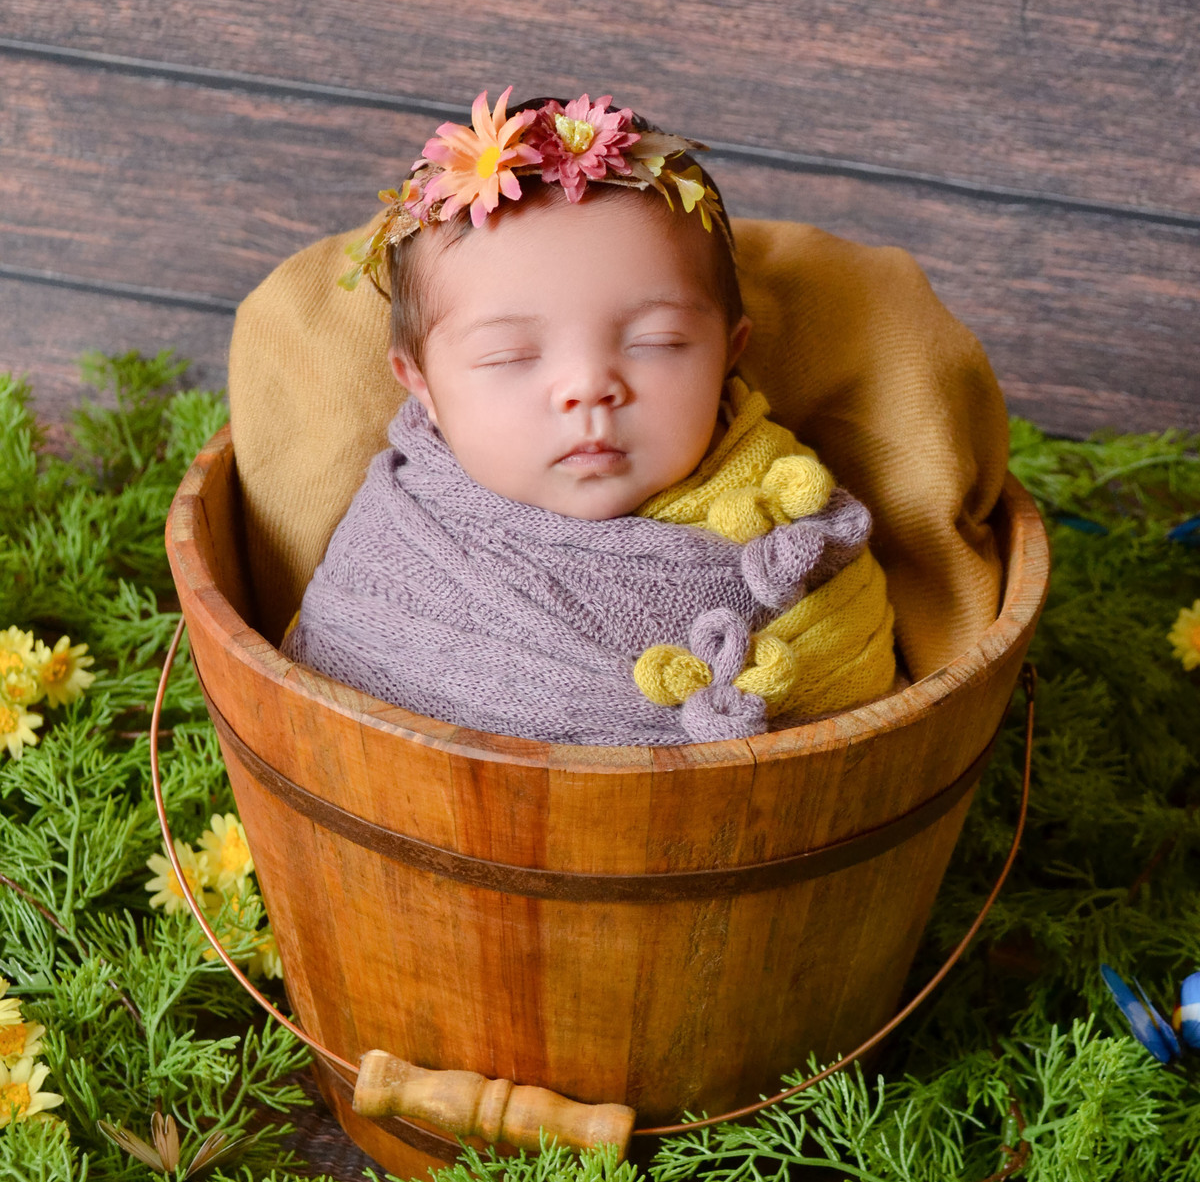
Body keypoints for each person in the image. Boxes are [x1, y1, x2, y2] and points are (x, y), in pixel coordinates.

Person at [283, 89, 896, 744]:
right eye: (509, 355)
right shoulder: (391, 548)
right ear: (421, 384)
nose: (588, 389)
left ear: (728, 354)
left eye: (655, 343)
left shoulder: (789, 514)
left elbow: (850, 687)